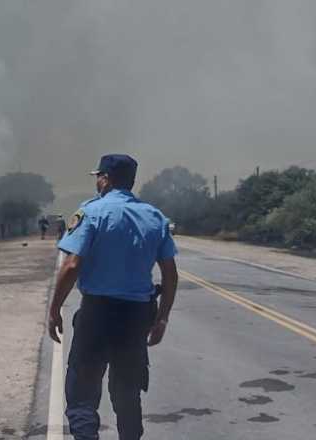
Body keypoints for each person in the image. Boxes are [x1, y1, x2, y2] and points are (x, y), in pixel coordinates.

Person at [47, 154, 179, 440]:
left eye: (98, 176)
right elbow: (170, 274)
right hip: (136, 318)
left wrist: (54, 308)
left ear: (105, 178)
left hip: (97, 314)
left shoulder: (92, 212)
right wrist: (163, 318)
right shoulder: (154, 216)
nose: (97, 181)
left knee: (82, 393)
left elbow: (71, 265)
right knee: (128, 393)